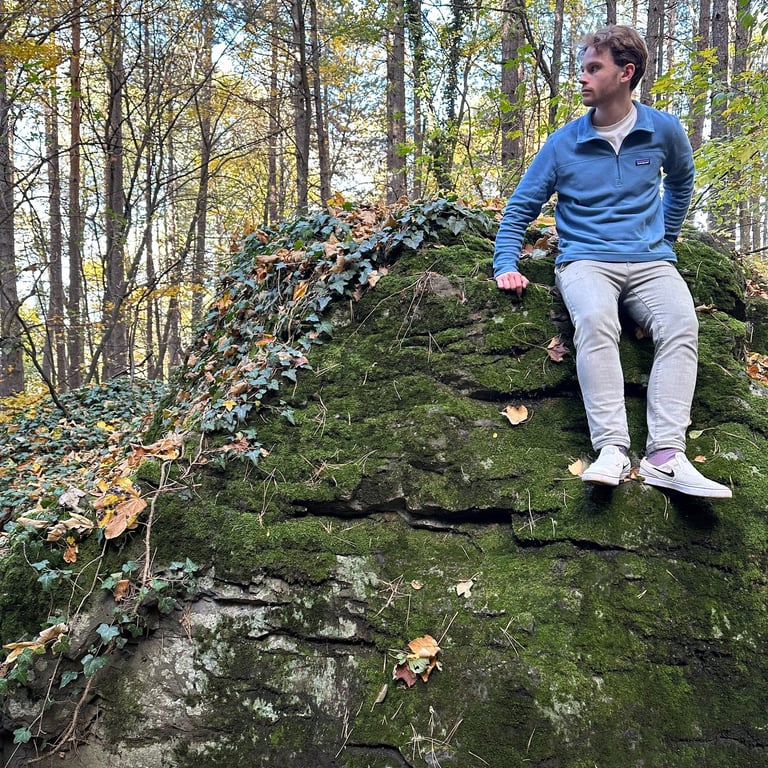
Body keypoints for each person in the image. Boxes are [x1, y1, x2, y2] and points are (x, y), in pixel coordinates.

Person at [493, 24, 731, 498]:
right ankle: (612, 450)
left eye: (593, 68)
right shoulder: (564, 143)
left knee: (682, 324)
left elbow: (681, 182)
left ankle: (665, 456)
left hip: (651, 262)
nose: (581, 77)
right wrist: (506, 264)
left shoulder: (663, 129)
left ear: (626, 73)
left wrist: (665, 235)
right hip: (585, 261)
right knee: (596, 321)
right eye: (582, 68)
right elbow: (520, 207)